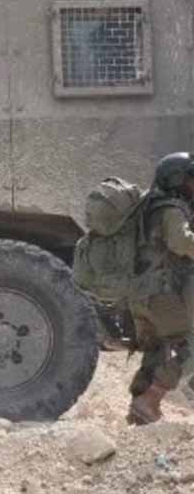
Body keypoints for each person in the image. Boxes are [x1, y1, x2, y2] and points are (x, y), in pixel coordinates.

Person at [124, 152, 194, 425]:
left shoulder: (149, 207)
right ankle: (150, 399)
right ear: (176, 180)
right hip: (161, 295)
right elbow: (181, 242)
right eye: (190, 179)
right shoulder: (171, 210)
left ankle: (138, 410)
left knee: (155, 349)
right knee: (189, 348)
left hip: (140, 296)